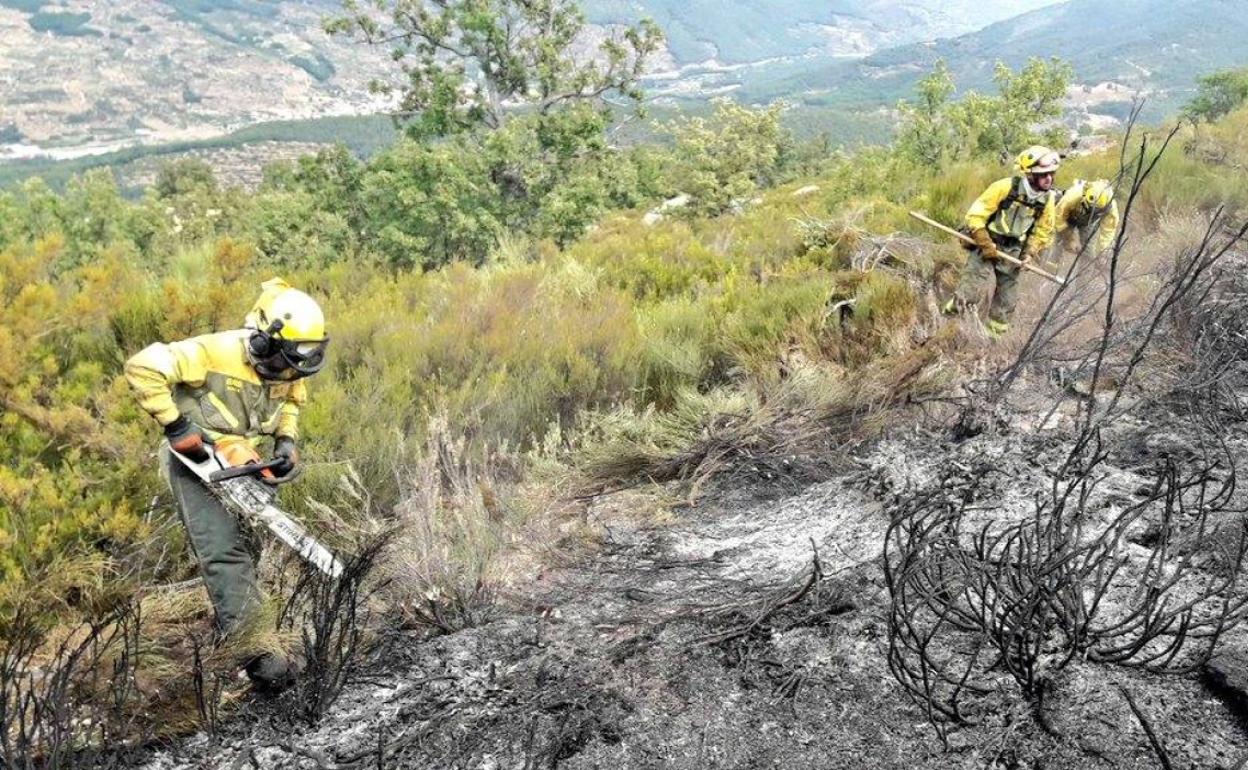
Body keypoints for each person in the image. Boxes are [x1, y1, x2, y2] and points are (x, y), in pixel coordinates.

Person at [124, 278, 329, 690]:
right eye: (282, 363)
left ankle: (236, 623)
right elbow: (142, 366)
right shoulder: (211, 352)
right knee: (225, 552)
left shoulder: (291, 361)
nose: (287, 372)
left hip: (243, 461)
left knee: (251, 549)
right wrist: (176, 425)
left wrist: (286, 442)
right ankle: (260, 658)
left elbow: (291, 399)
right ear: (261, 341)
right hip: (197, 460)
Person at [943, 145, 1061, 337]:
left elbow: (1043, 231)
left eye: (1051, 174)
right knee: (970, 292)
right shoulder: (1005, 187)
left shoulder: (1047, 200)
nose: (1049, 178)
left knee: (1007, 301)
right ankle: (947, 320)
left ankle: (992, 340)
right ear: (1030, 175)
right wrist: (984, 242)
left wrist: (1030, 254)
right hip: (988, 241)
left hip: (1013, 249)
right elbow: (976, 215)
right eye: (1044, 174)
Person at [1056, 178, 1119, 259]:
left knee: (1087, 250)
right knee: (1058, 240)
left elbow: (1108, 233)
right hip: (1068, 215)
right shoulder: (1074, 195)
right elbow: (1059, 216)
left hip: (1088, 223)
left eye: (1096, 210)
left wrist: (1104, 254)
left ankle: (1085, 271)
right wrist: (1069, 239)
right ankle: (1050, 265)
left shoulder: (1111, 210)